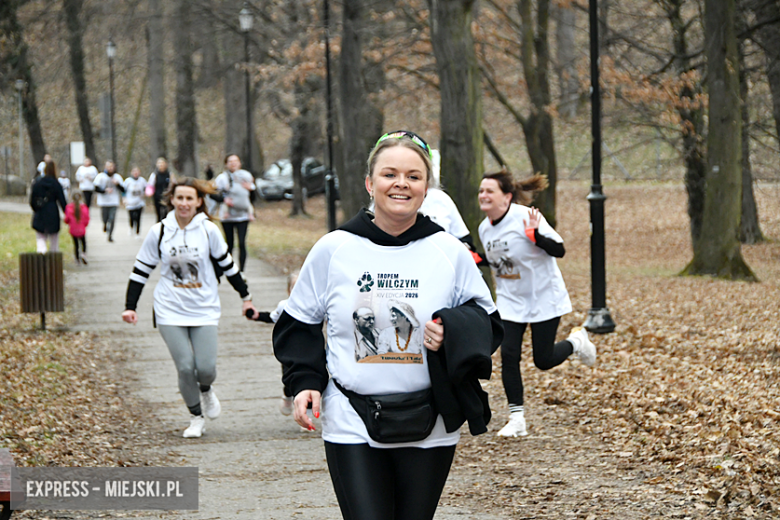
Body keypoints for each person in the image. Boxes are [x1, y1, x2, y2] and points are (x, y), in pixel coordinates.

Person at [273, 130, 503, 520]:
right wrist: (305, 381)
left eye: (413, 176)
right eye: (389, 174)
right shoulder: (334, 248)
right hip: (350, 417)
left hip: (431, 420)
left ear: (427, 188)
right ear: (370, 183)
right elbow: (297, 322)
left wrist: (452, 330)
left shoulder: (449, 251)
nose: (401, 184)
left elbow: (488, 322)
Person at [122, 177, 258, 438]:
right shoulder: (160, 231)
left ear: (198, 202)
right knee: (185, 367)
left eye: (189, 199)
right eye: (180, 198)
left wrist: (246, 296)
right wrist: (130, 306)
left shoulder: (208, 230)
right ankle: (196, 417)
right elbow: (140, 270)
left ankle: (205, 389)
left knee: (205, 369)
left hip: (204, 308)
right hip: (169, 308)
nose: (184, 203)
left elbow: (229, 266)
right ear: (172, 200)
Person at [477, 169, 597, 438]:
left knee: (543, 360)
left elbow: (559, 250)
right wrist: (478, 258)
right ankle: (516, 419)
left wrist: (535, 237)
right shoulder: (484, 228)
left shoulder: (526, 216)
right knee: (509, 355)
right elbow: (501, 261)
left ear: (506, 197)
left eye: (489, 191)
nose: (483, 195)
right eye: (481, 191)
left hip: (543, 296)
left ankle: (577, 342)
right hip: (510, 300)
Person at [246, 270, 300, 416]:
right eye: (294, 287)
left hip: (310, 348)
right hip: (288, 349)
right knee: (289, 379)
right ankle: (287, 395)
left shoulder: (316, 305)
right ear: (288, 290)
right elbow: (272, 317)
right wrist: (257, 316)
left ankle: (305, 413)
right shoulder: (284, 306)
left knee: (310, 379)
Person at [214, 154, 255, 274]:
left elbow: (253, 198)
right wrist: (224, 199)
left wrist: (251, 189)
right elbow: (213, 194)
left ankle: (241, 270)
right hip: (227, 216)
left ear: (240, 163)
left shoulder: (246, 176)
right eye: (230, 161)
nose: (233, 163)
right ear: (226, 164)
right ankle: (229, 269)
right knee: (229, 243)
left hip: (243, 216)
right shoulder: (222, 178)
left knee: (242, 243)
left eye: (236, 161)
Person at [29, 160, 67, 253]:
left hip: (40, 211)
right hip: (52, 212)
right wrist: (67, 213)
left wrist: (36, 209)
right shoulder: (56, 184)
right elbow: (62, 201)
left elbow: (32, 200)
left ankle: (42, 253)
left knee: (40, 237)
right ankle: (53, 256)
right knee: (54, 240)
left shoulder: (38, 183)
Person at [94, 161, 124, 242]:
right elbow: (96, 188)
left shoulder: (117, 177)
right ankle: (105, 224)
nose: (110, 169)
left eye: (112, 167)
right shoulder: (100, 176)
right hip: (103, 202)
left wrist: (117, 184)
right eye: (109, 167)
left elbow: (123, 189)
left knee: (112, 218)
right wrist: (105, 190)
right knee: (104, 218)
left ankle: (110, 235)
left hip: (114, 201)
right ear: (105, 167)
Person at [64, 191, 90, 264]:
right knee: (83, 242)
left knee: (76, 244)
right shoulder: (84, 207)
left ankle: (77, 258)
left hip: (73, 228)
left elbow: (67, 219)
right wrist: (84, 225)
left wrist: (67, 222)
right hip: (81, 228)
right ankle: (83, 254)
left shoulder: (69, 207)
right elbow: (87, 218)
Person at [123, 167, 148, 239]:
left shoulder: (142, 180)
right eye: (134, 171)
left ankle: (137, 232)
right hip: (130, 202)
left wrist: (145, 194)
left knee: (138, 218)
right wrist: (124, 199)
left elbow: (147, 188)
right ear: (131, 172)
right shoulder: (128, 181)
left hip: (139, 201)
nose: (135, 173)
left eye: (137, 171)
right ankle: (131, 227)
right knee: (132, 217)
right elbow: (123, 190)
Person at [148, 157, 173, 222]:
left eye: (162, 163)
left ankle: (165, 223)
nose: (161, 165)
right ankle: (158, 223)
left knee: (165, 213)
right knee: (158, 213)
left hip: (166, 196)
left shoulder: (169, 174)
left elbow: (173, 183)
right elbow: (150, 185)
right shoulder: (154, 175)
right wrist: (149, 193)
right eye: (159, 163)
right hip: (157, 196)